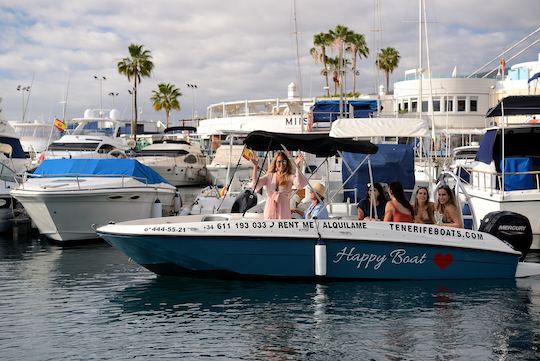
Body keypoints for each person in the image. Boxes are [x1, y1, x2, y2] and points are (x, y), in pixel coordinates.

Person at [251, 151, 307, 219]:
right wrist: (255, 166)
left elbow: (299, 185)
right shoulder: (269, 176)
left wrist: (297, 166)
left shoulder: (290, 177)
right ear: (275, 163)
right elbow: (255, 185)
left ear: (287, 163)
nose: (282, 164)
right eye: (279, 161)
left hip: (283, 211)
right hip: (269, 210)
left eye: (284, 161)